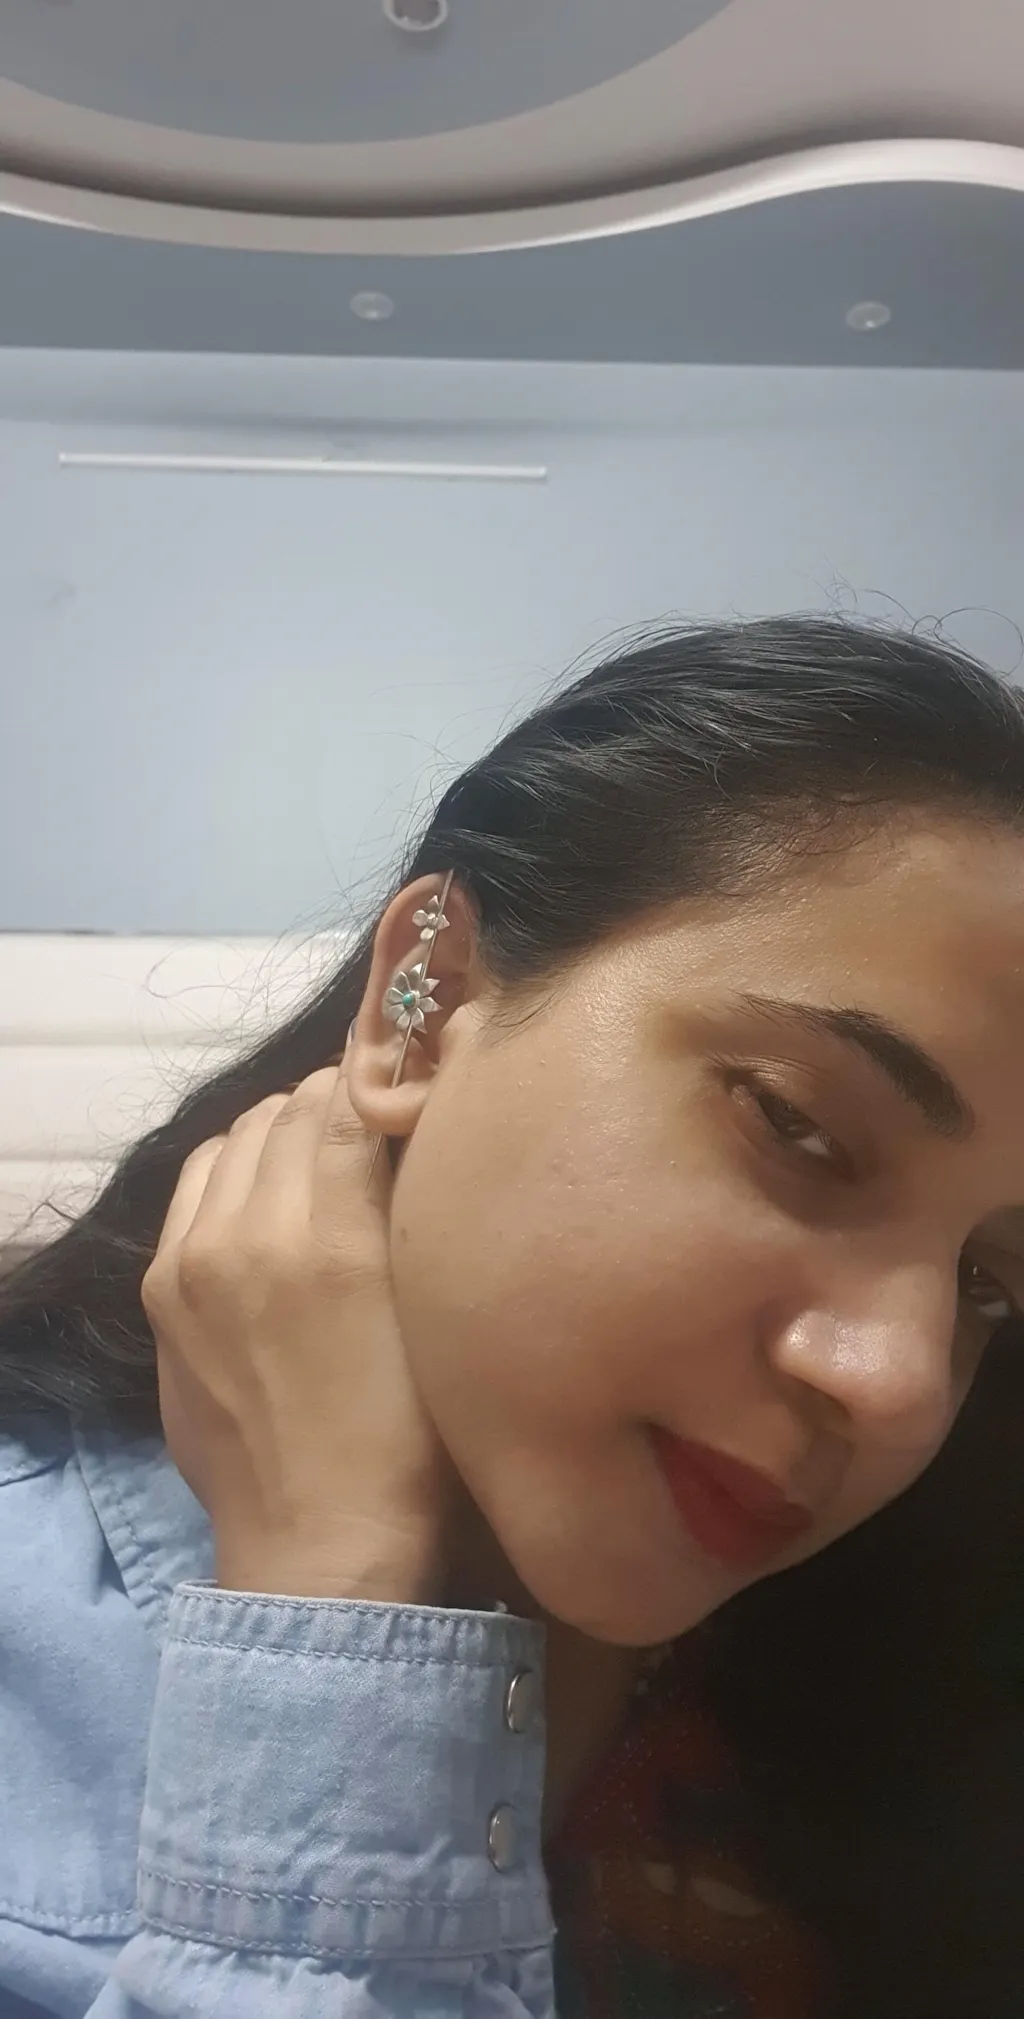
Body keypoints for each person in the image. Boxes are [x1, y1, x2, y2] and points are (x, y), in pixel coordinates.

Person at [1, 614, 1024, 2019]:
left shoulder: (915, 1685)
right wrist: (331, 1603)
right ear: (420, 1010)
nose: (900, 1385)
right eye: (799, 1128)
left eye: (986, 1281)